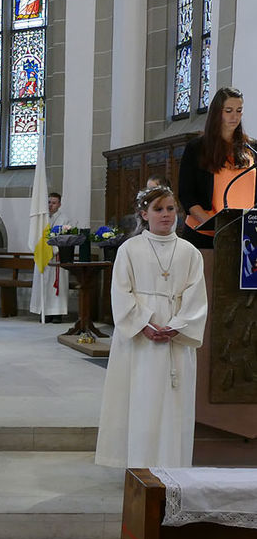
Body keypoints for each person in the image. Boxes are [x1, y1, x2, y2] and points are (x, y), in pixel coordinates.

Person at [95, 186, 207, 468]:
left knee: (173, 404)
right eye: (158, 209)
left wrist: (178, 325)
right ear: (144, 214)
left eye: (171, 209)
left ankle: (173, 465)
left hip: (175, 340)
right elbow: (120, 291)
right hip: (140, 339)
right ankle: (138, 465)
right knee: (140, 400)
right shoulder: (130, 249)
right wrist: (143, 323)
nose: (166, 215)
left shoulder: (190, 251)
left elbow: (197, 296)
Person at [178, 86, 257, 249]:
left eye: (239, 110)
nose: (234, 116)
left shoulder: (251, 149)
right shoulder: (197, 148)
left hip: (244, 234)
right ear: (216, 112)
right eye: (228, 110)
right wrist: (212, 224)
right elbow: (187, 195)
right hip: (204, 234)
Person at [29, 191, 71, 322]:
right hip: (43, 255)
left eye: (53, 203)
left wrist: (53, 248)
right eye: (48, 202)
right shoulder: (42, 218)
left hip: (56, 256)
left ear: (59, 204)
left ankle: (57, 313)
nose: (50, 205)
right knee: (44, 284)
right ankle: (45, 311)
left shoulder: (64, 219)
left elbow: (65, 237)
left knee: (56, 285)